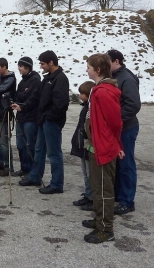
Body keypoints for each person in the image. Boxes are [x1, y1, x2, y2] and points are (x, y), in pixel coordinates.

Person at [82, 53, 124, 244]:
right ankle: (99, 219)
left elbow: (115, 122)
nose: (86, 70)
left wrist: (117, 145)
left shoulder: (103, 92)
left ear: (98, 70)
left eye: (89, 67)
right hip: (96, 146)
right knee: (97, 187)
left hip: (103, 148)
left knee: (103, 189)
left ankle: (106, 229)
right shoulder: (97, 90)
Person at [19, 50, 69, 194]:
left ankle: (57, 184)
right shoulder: (47, 78)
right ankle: (35, 177)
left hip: (51, 122)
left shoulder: (60, 79)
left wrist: (48, 116)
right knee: (39, 150)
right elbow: (36, 97)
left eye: (42, 63)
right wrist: (23, 106)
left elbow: (61, 104)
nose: (40, 66)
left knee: (54, 153)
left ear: (51, 62)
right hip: (42, 120)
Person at [106, 49, 141, 215]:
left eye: (108, 62)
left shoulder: (126, 78)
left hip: (126, 128)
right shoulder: (114, 77)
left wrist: (116, 119)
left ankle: (127, 201)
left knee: (126, 164)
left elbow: (133, 105)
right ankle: (119, 196)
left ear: (117, 61)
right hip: (117, 128)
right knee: (118, 164)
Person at [11, 56, 41, 177]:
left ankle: (33, 171)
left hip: (31, 118)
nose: (19, 69)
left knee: (30, 145)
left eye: (21, 66)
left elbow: (33, 98)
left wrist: (23, 105)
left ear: (27, 67)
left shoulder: (35, 80)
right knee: (20, 145)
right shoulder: (22, 81)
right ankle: (24, 168)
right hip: (21, 117)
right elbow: (20, 96)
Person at [70, 81, 95, 210]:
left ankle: (93, 198)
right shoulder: (85, 106)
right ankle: (88, 194)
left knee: (91, 172)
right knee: (85, 172)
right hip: (81, 142)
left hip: (87, 144)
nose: (80, 95)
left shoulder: (91, 108)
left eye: (82, 93)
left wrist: (87, 141)